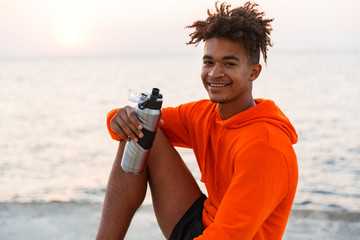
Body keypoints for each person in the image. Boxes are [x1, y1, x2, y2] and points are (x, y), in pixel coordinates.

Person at [96, 1, 298, 239]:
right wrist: (117, 118)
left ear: (253, 72)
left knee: (140, 128)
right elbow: (135, 122)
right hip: (202, 221)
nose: (214, 73)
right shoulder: (204, 114)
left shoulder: (265, 146)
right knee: (140, 127)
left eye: (229, 64)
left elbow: (228, 236)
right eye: (209, 62)